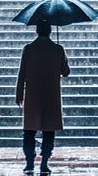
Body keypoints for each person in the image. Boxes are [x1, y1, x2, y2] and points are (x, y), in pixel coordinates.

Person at [15, 20, 69, 165]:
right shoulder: (57, 49)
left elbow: (22, 74)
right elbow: (66, 72)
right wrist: (62, 56)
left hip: (33, 95)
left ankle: (29, 162)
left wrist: (19, 93)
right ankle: (44, 162)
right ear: (50, 31)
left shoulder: (29, 49)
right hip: (51, 96)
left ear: (37, 31)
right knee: (49, 131)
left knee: (29, 131)